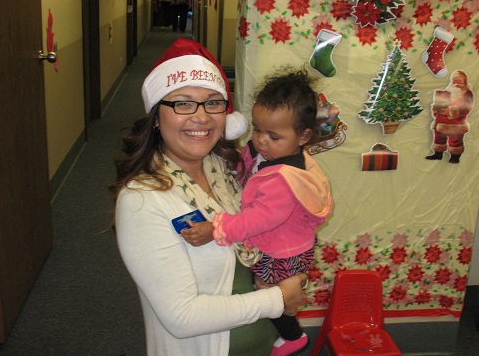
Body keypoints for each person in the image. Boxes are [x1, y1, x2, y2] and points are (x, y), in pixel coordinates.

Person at [111, 39, 308, 356]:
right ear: (157, 117)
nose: (201, 117)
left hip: (265, 343)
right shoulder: (143, 200)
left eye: (213, 102)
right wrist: (279, 298)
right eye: (183, 103)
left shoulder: (231, 171)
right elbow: (182, 317)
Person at [182, 66, 333, 356]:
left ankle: (293, 338)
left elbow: (258, 220)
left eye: (273, 136)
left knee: (271, 293)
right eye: (257, 129)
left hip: (283, 252)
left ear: (303, 137)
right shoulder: (271, 151)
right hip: (284, 244)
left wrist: (217, 229)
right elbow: (250, 165)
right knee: (266, 288)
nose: (261, 141)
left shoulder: (285, 179)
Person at [425, 69, 474, 164]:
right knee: (439, 138)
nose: (457, 82)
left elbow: (467, 107)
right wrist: (436, 109)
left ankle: (455, 156)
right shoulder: (446, 92)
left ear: (464, 81)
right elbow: (439, 104)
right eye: (455, 79)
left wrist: (453, 110)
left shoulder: (467, 93)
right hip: (441, 121)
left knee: (455, 139)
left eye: (460, 80)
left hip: (457, 123)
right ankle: (438, 153)